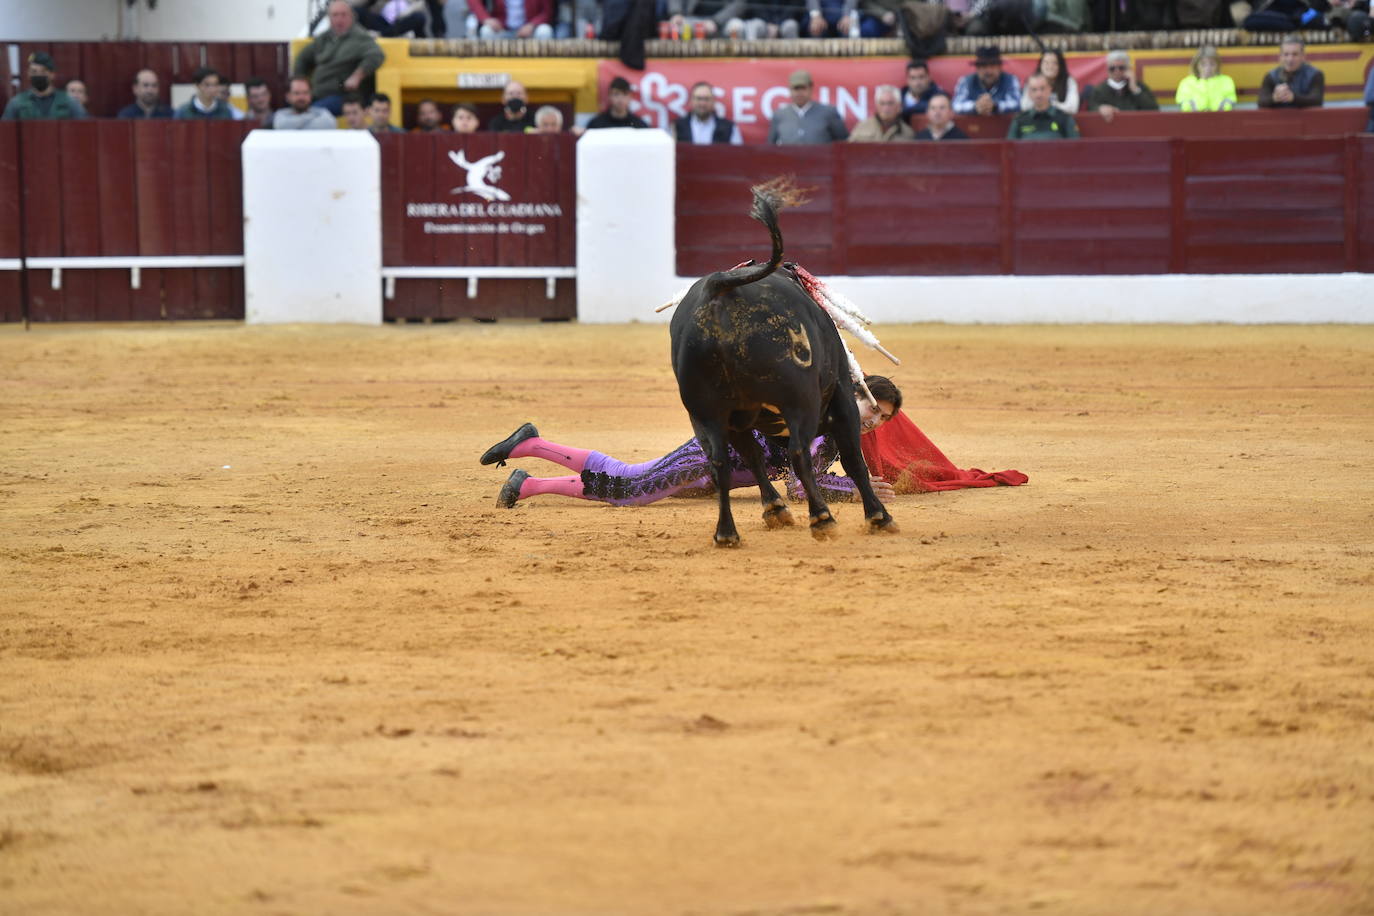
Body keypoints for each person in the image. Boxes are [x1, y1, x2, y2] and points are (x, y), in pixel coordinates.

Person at [484, 376, 905, 509]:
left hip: (719, 475)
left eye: (882, 417)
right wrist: (855, 488)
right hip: (715, 453)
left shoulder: (835, 434)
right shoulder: (813, 412)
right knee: (632, 490)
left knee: (630, 475)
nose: (874, 419)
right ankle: (531, 470)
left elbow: (805, 476)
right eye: (871, 406)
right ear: (853, 393)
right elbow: (798, 486)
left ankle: (530, 459)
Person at [293, 0, 385, 115]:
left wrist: (357, 76)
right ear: (329, 18)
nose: (339, 19)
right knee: (288, 109)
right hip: (315, 94)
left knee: (310, 112)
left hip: (342, 96)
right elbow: (303, 57)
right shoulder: (325, 38)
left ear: (351, 16)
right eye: (335, 15)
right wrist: (300, 79)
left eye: (343, 14)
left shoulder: (360, 37)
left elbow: (376, 55)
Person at [768, 69, 848, 144]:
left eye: (803, 88)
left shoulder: (829, 112)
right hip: (789, 158)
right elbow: (771, 146)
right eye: (796, 89)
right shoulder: (779, 115)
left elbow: (843, 143)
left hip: (821, 158)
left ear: (810, 88)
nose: (799, 93)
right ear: (790, 90)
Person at [2, 52, 88, 120]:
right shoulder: (17, 103)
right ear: (28, 74)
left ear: (52, 74)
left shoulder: (69, 102)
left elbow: (84, 128)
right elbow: (6, 132)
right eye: (34, 71)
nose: (38, 75)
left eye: (43, 71)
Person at [1084, 49, 1158, 123]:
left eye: (1121, 68)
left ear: (1128, 69)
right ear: (1107, 70)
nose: (1117, 71)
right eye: (1112, 68)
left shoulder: (1139, 87)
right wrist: (1100, 109)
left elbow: (1154, 109)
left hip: (1136, 127)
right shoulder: (1099, 89)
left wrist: (1134, 89)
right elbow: (1090, 108)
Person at [1258, 36, 1325, 109]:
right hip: (1278, 119)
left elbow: (1317, 100)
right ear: (1280, 57)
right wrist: (1274, 98)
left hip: (1306, 119)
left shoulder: (1316, 74)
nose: (1290, 59)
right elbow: (1261, 102)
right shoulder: (1270, 76)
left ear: (1303, 56)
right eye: (1286, 54)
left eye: (1295, 54)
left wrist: (1293, 98)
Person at [952, 46, 1022, 116]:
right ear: (977, 68)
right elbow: (956, 105)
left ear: (1000, 67)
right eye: (984, 66)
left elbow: (1017, 103)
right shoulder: (966, 81)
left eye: (992, 66)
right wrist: (975, 106)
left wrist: (995, 106)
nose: (989, 71)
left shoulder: (1010, 80)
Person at [1007, 73, 1079, 140]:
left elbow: (1077, 147)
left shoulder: (1064, 118)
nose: (1039, 94)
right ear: (1029, 93)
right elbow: (1009, 149)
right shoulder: (1019, 120)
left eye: (1042, 88)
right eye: (1034, 90)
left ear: (1050, 90)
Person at [674, 81, 743, 144]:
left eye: (707, 99)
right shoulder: (676, 127)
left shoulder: (729, 128)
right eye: (698, 98)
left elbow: (738, 155)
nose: (702, 103)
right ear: (691, 101)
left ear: (713, 101)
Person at [1174, 45, 1237, 113]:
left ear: (1218, 65)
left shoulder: (1226, 81)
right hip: (1193, 119)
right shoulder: (1186, 83)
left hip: (1221, 119)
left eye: (1212, 64)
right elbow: (1184, 106)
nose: (1208, 68)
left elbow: (1229, 104)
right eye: (1203, 64)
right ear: (1196, 65)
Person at [1020, 49, 1079, 116]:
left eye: (1054, 63)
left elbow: (1072, 108)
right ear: (1040, 65)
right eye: (1046, 63)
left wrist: (1047, 106)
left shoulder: (1069, 81)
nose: (1050, 67)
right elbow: (1025, 106)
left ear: (1061, 66)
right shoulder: (1032, 81)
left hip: (1060, 120)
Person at [848, 84, 915, 142]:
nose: (886, 108)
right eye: (882, 103)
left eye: (890, 103)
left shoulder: (908, 133)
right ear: (876, 105)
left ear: (899, 106)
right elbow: (848, 151)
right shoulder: (862, 127)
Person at [271, 77, 338, 129]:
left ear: (311, 95)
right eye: (296, 93)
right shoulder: (280, 115)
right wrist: (311, 118)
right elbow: (281, 126)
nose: (301, 97)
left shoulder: (323, 113)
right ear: (288, 96)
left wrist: (295, 126)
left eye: (305, 93)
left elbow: (330, 124)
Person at [468, 0, 556, 37]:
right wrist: (485, 18)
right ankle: (493, 69)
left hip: (530, 32)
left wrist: (532, 25)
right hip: (502, 29)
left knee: (544, 31)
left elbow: (547, 12)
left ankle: (539, 69)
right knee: (486, 31)